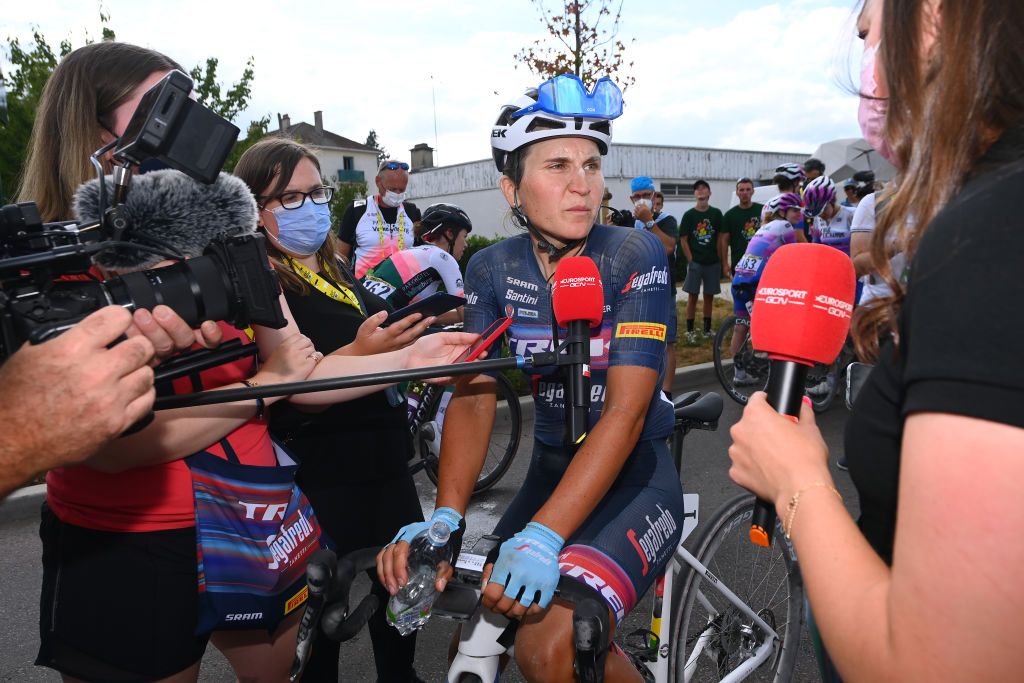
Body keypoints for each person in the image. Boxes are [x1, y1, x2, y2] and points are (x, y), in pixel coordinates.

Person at [23, 42, 475, 683]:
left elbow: (302, 371)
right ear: (95, 134)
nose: (189, 129)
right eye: (162, 109)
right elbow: (113, 445)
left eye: (187, 102)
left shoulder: (228, 237)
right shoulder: (54, 263)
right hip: (130, 532)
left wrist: (413, 357)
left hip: (255, 512)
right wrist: (265, 389)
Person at [727, 1, 1024, 681]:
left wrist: (796, 479)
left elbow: (938, 665)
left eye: (867, 34)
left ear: (930, 18)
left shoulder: (992, 235)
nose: (865, 66)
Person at [378, 73, 682, 683]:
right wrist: (447, 517)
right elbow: (475, 394)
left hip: (636, 472)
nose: (583, 185)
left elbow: (623, 414)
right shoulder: (492, 267)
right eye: (559, 165)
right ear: (511, 186)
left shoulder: (632, 252)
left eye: (593, 165)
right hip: (550, 467)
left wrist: (543, 535)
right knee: (472, 645)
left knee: (548, 651)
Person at [728, 192, 804, 386]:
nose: (799, 214)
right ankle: (773, 373)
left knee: (740, 327)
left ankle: (739, 374)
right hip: (757, 282)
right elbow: (795, 257)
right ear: (782, 211)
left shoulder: (763, 228)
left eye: (800, 210)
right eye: (795, 210)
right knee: (776, 326)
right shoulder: (785, 226)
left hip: (740, 279)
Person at [362, 202, 472, 325]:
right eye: (464, 236)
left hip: (368, 316)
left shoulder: (414, 251)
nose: (466, 244)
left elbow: (422, 317)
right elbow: (468, 315)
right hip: (382, 320)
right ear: (450, 233)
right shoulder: (443, 258)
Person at [628, 176, 679, 396]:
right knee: (638, 343)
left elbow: (668, 247)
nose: (642, 200)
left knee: (667, 342)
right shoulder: (628, 224)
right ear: (631, 199)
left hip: (663, 292)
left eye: (646, 196)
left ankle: (666, 392)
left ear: (654, 196)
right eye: (637, 197)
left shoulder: (666, 220)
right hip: (636, 293)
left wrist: (649, 221)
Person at [338, 159, 421, 278]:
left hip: (404, 290)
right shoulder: (357, 210)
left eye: (402, 190)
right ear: (378, 181)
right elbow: (340, 257)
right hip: (366, 290)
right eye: (392, 189)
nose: (397, 194)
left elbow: (421, 253)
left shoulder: (412, 212)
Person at [679, 179, 723, 341]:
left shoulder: (716, 214)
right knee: (692, 296)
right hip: (696, 262)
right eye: (698, 190)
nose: (701, 192)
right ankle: (690, 330)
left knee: (709, 296)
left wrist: (720, 258)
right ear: (695, 194)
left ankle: (707, 329)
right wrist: (690, 260)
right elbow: (683, 239)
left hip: (712, 262)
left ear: (709, 193)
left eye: (704, 189)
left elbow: (720, 237)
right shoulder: (689, 215)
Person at [719, 177, 763, 277]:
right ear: (737, 193)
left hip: (761, 261)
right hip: (739, 263)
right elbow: (724, 241)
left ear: (753, 191)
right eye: (741, 190)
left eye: (748, 189)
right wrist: (725, 264)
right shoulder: (729, 215)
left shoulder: (762, 210)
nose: (745, 193)